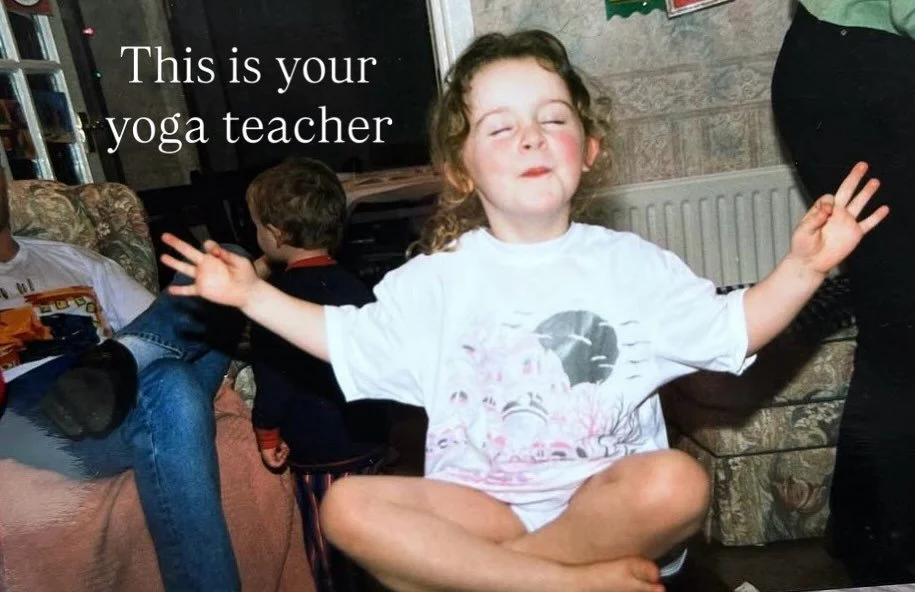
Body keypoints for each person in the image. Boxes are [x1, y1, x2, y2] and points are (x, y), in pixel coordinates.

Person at [161, 29, 888, 592]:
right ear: (459, 167)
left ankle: (506, 579)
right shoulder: (435, 280)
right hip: (482, 509)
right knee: (348, 508)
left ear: (589, 148)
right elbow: (345, 339)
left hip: (605, 506)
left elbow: (736, 328)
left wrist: (801, 268)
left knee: (677, 480)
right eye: (499, 127)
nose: (531, 136)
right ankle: (562, 584)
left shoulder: (630, 266)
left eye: (551, 118)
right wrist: (254, 293)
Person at [0, 171, 247, 591]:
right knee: (172, 385)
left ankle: (113, 363)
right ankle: (113, 365)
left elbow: (166, 330)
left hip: (120, 391)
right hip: (32, 416)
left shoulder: (77, 261)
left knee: (223, 259)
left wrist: (124, 359)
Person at [771, 1, 915, 585]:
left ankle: (867, 534)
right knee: (901, 319)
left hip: (818, 59)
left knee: (894, 313)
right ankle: (882, 548)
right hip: (864, 67)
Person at [245, 157, 392, 591]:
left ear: (276, 235)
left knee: (327, 547)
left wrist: (266, 430)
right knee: (371, 536)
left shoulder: (280, 303)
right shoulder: (358, 288)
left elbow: (275, 376)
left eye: (256, 226)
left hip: (320, 451)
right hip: (367, 437)